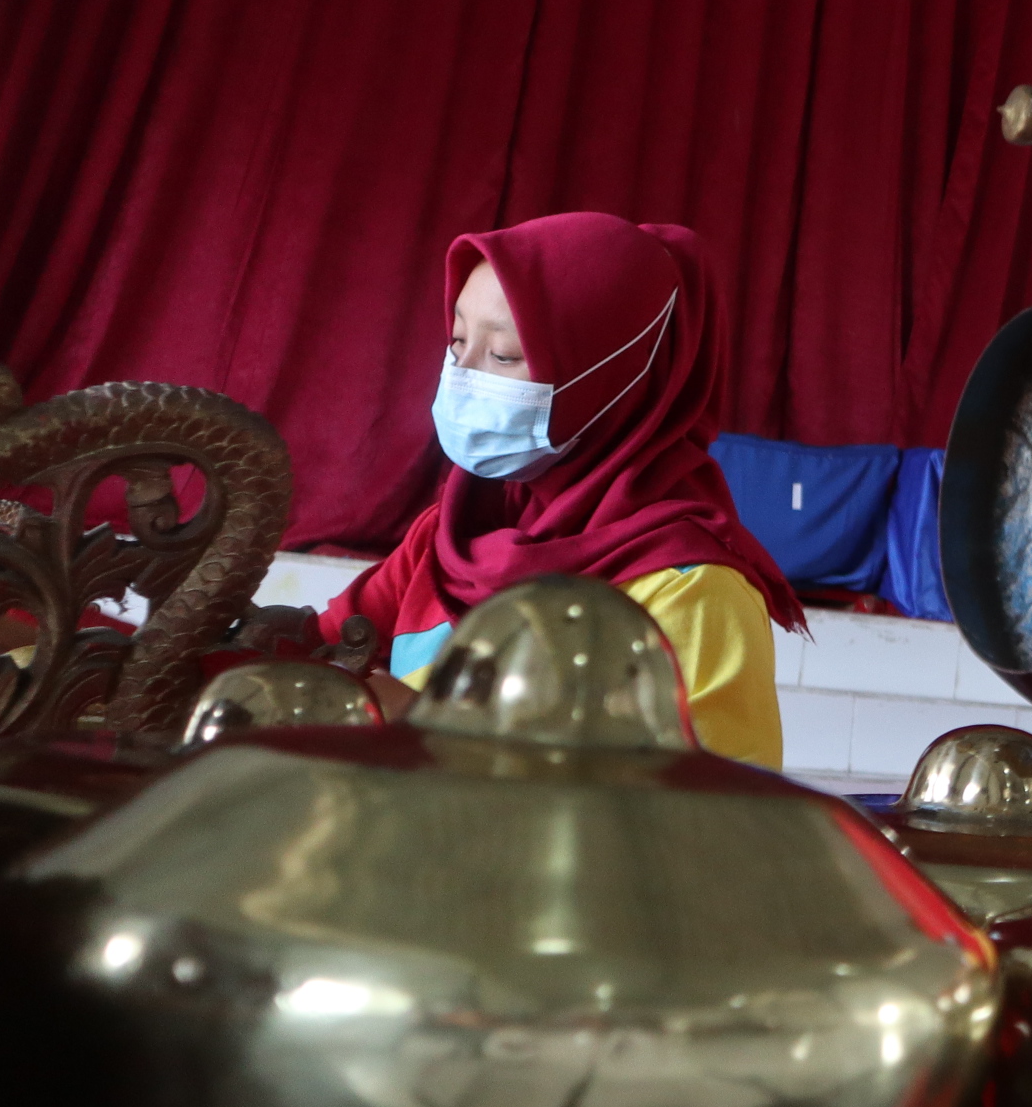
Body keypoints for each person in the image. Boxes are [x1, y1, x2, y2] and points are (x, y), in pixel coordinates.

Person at [319, 212, 803, 764]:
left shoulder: (692, 592)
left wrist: (423, 725)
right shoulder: (450, 534)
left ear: (610, 375)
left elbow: (700, 822)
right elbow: (320, 646)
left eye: (503, 355)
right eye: (456, 343)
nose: (462, 374)